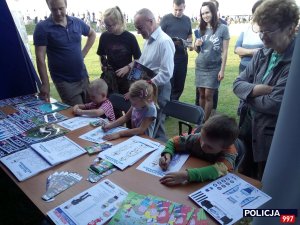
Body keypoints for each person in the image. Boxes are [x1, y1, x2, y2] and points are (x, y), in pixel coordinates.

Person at [233, 0, 299, 180]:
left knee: (265, 183)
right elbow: (237, 84)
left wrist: (246, 95)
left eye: (268, 30)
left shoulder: (295, 61)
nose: (262, 36)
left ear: (290, 28)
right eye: (260, 30)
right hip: (248, 127)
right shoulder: (263, 53)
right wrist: (257, 90)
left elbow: (274, 103)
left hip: (271, 137)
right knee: (244, 176)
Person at [33, 0, 96, 106]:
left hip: (83, 77)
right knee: (78, 114)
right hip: (64, 81)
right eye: (54, 9)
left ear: (66, 5)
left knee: (91, 109)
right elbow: (40, 58)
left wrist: (83, 53)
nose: (58, 13)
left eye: (61, 8)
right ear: (48, 6)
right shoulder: (42, 28)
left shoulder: (76, 22)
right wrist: (45, 83)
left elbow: (92, 34)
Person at [129, 8, 175, 142]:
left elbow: (166, 73)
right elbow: (143, 63)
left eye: (140, 27)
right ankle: (162, 150)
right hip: (147, 87)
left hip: (157, 89)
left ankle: (158, 152)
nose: (138, 31)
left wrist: (147, 85)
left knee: (152, 125)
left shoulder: (164, 41)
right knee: (156, 126)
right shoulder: (148, 40)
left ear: (150, 22)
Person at [159, 115, 239, 185]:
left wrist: (186, 175)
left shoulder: (229, 155)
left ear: (224, 148)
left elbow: (215, 170)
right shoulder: (198, 138)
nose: (202, 145)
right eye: (202, 139)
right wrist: (167, 154)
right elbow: (173, 141)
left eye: (209, 147)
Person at [194, 2, 230, 121]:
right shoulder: (200, 29)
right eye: (203, 13)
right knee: (202, 95)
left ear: (213, 12)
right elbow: (196, 50)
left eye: (207, 12)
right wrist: (196, 44)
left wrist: (222, 70)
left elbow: (225, 51)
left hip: (214, 68)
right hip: (200, 66)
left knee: (209, 95)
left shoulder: (223, 28)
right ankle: (200, 121)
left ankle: (205, 122)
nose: (205, 15)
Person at [97, 6, 141, 95]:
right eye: (106, 25)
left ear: (119, 22)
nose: (107, 28)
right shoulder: (104, 36)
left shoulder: (130, 38)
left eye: (110, 25)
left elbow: (139, 59)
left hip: (126, 79)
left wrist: (128, 67)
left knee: (124, 104)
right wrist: (103, 65)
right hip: (110, 78)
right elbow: (101, 54)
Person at [160, 0, 193, 101]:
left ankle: (174, 105)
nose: (178, 12)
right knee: (169, 83)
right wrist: (171, 42)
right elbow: (159, 36)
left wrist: (189, 42)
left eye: (180, 10)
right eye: (176, 10)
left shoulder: (187, 19)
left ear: (184, 7)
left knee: (180, 83)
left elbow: (189, 35)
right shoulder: (166, 19)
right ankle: (166, 107)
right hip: (168, 57)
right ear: (172, 7)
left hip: (182, 56)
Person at [234, 0, 264, 74]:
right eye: (257, 12)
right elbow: (236, 49)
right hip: (243, 69)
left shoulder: (269, 31)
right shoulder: (246, 29)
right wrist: (252, 51)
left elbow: (266, 52)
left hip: (261, 70)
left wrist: (244, 52)